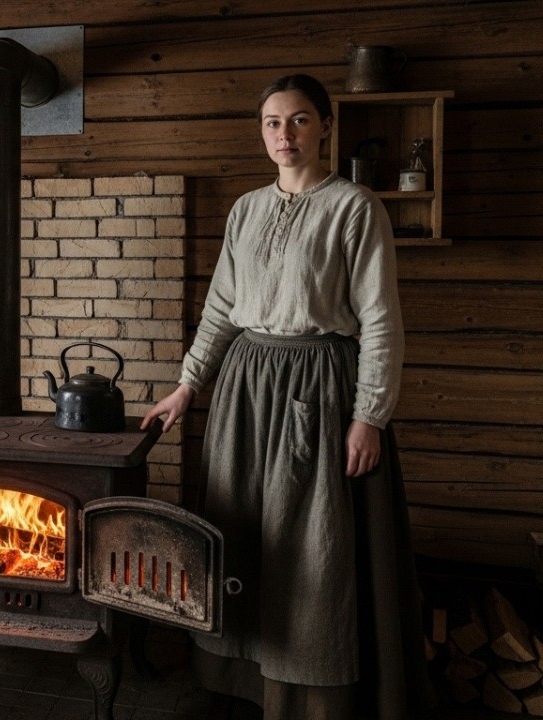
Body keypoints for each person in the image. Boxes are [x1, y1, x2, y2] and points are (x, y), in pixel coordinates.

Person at [140, 74, 433, 719]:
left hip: (319, 389)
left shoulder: (355, 208)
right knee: (243, 531)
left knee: (312, 546)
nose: (285, 134)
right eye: (273, 122)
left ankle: (311, 691)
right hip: (245, 390)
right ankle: (242, 678)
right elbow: (221, 307)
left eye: (299, 120)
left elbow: (381, 320)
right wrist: (190, 384)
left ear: (325, 127)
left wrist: (369, 416)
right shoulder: (245, 209)